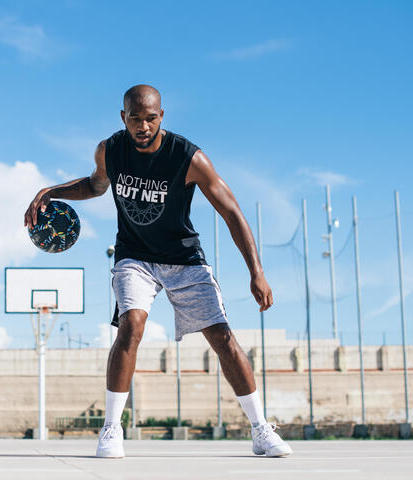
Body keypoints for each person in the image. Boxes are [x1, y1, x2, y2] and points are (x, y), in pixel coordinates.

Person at [24, 85, 291, 458]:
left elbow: (231, 211)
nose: (143, 126)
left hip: (183, 258)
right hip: (134, 256)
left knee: (222, 337)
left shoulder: (188, 157)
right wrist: (52, 191)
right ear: (124, 118)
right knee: (131, 325)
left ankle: (261, 429)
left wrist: (256, 272)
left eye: (151, 118)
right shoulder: (111, 150)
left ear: (161, 116)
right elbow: (95, 185)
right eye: (136, 119)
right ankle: (112, 429)